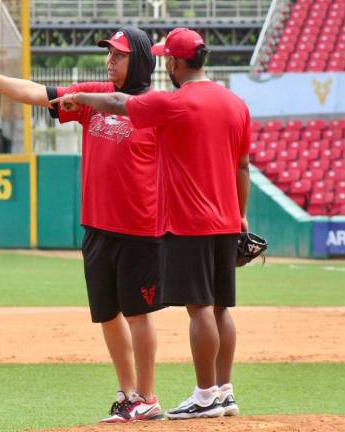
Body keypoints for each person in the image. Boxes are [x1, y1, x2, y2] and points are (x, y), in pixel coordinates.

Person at [0, 26, 165, 423]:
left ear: (139, 60)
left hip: (140, 228)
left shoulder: (157, 107)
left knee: (138, 313)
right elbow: (38, 93)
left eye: (119, 55)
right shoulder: (93, 97)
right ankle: (127, 393)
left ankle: (148, 397)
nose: (110, 60)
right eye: (109, 53)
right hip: (97, 226)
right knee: (107, 313)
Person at [51, 27, 250, 420]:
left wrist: (80, 97)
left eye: (167, 58)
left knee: (200, 308)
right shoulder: (236, 103)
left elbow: (119, 103)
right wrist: (241, 215)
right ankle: (225, 391)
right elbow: (242, 166)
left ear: (173, 62)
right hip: (228, 219)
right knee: (222, 308)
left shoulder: (176, 101)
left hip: (192, 219)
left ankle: (205, 395)